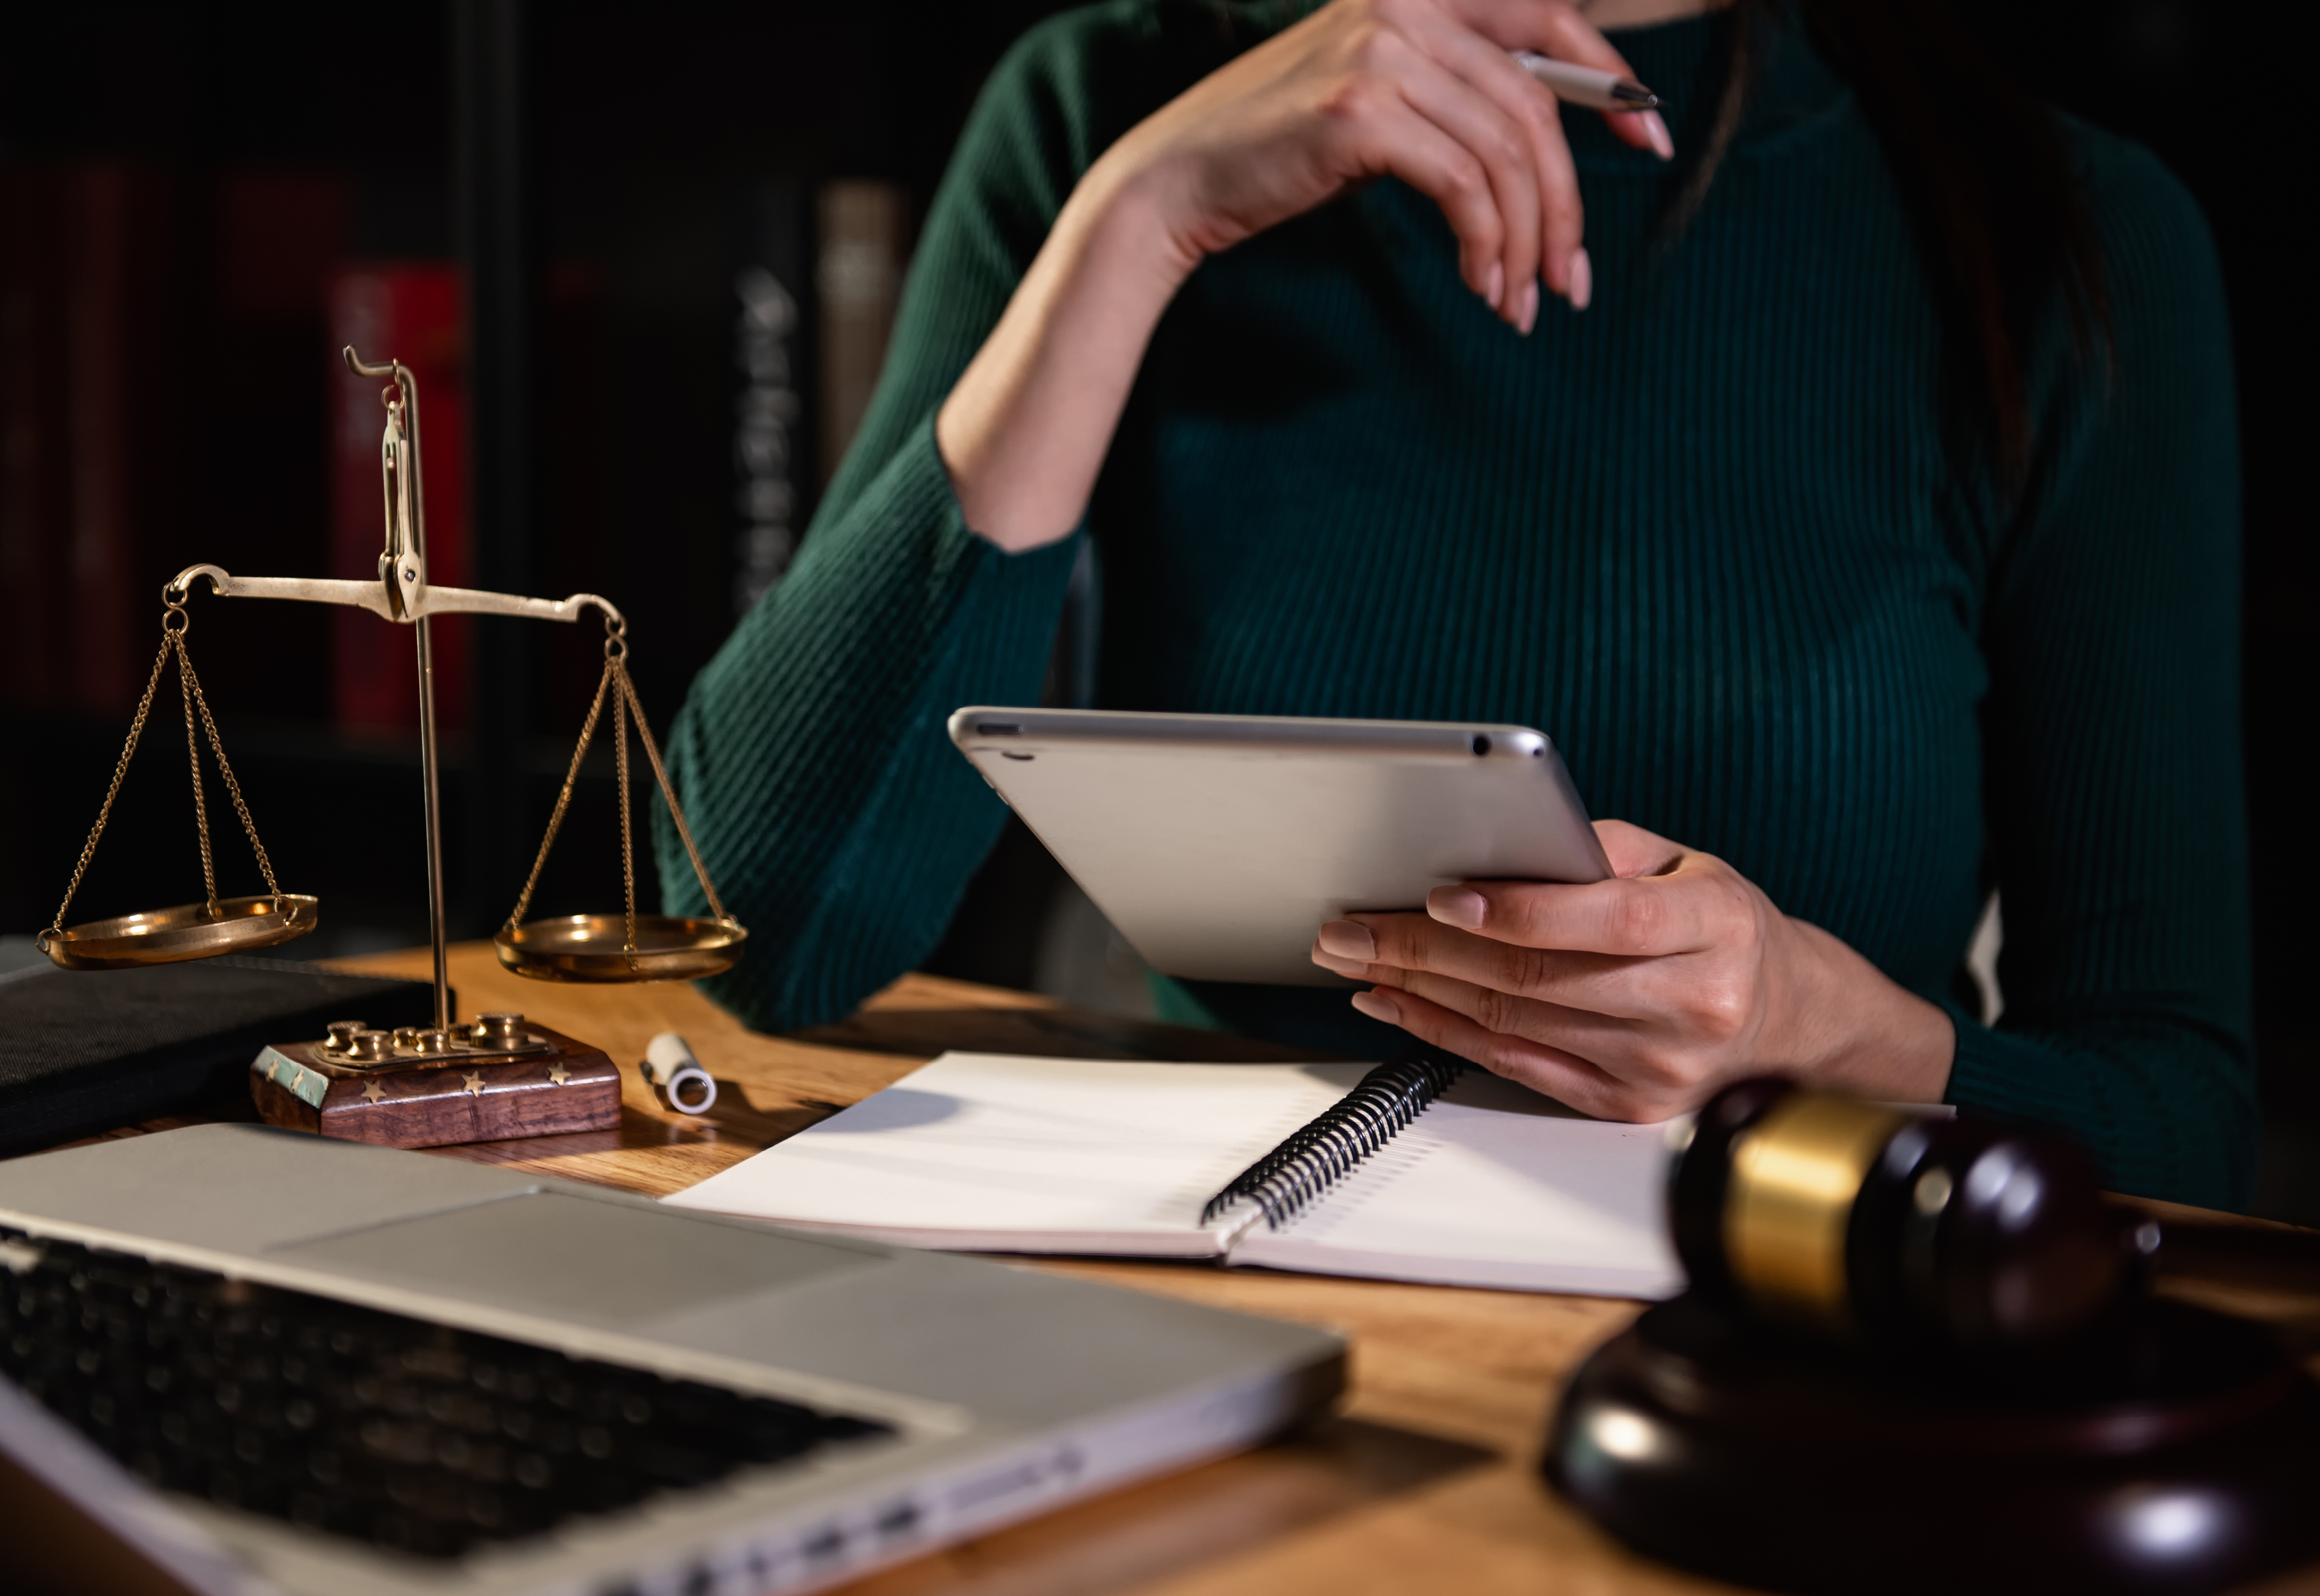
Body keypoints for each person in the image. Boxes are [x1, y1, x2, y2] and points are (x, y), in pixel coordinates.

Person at [658, 0, 2252, 1207]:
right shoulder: (1113, 103)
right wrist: (1144, 220)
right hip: (1241, 1282)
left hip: (1795, 1334)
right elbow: (760, 941)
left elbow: (2183, 1113)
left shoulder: (2063, 228)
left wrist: (1830, 1033)